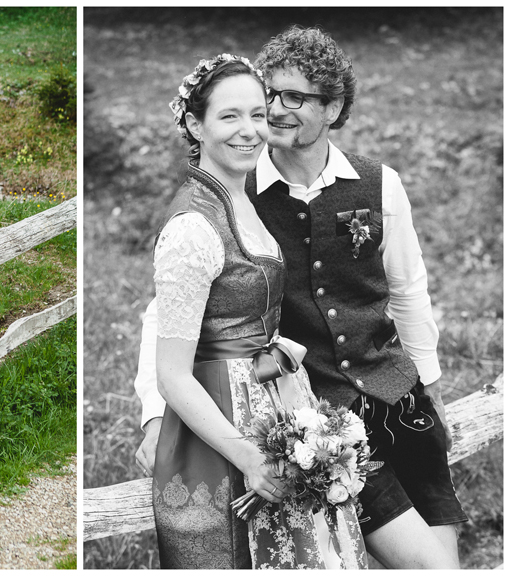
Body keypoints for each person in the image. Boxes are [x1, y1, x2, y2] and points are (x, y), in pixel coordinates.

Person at [135, 26, 466, 569]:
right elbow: (166, 315)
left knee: (443, 564)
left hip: (399, 401)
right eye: (272, 96)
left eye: (296, 98)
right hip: (319, 415)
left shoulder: (379, 184)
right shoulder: (240, 198)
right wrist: (154, 413)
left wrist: (430, 390)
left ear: (333, 108)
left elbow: (408, 292)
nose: (276, 112)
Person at [148, 53, 366, 569]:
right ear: (194, 124)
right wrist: (247, 454)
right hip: (224, 421)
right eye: (229, 117)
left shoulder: (241, 198)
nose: (249, 131)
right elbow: (172, 374)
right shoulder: (191, 229)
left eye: (256, 114)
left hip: (273, 396)